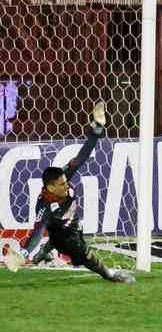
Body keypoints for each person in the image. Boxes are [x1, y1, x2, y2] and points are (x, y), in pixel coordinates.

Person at [16, 102, 134, 283]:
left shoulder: (64, 174)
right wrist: (24, 252)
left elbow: (83, 155)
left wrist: (98, 128)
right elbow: (37, 232)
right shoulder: (44, 207)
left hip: (73, 222)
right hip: (64, 234)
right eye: (62, 184)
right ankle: (110, 275)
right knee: (82, 253)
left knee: (75, 235)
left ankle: (45, 252)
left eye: (66, 182)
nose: (66, 185)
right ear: (50, 188)